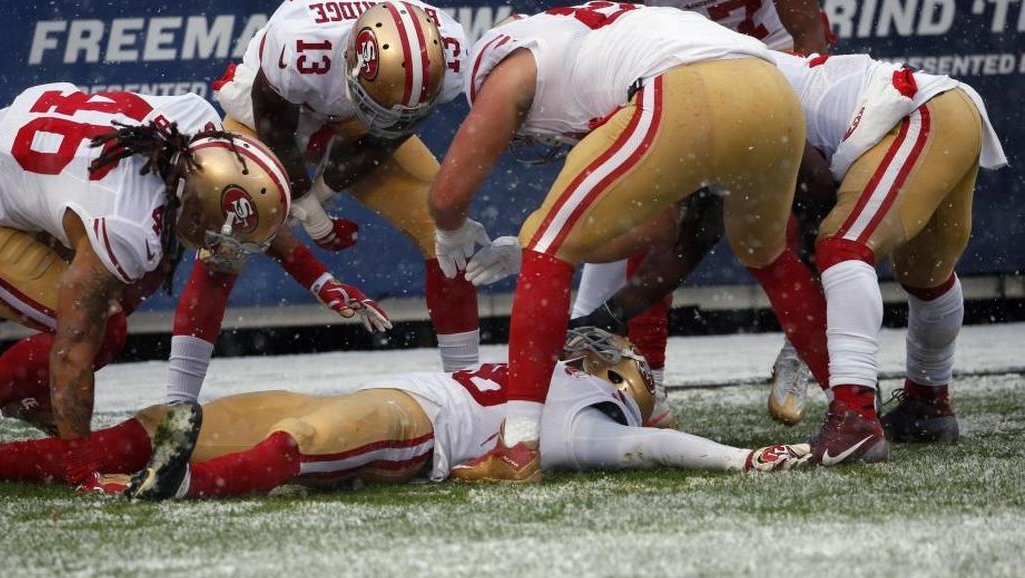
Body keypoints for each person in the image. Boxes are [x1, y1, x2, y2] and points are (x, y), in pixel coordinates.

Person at [428, 3, 831, 483]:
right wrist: (537, 239)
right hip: (772, 90)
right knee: (769, 256)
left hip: (687, 87)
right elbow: (657, 227)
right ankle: (857, 415)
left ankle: (517, 447)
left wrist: (450, 227)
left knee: (548, 250)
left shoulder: (510, 60)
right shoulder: (600, 41)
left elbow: (448, 193)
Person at [570, 51, 1008, 452]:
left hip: (913, 115)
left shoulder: (705, 97)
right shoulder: (701, 88)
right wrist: (607, 317)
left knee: (842, 246)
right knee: (924, 275)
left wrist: (816, 264)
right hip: (942, 111)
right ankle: (928, 404)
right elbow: (691, 241)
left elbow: (813, 181)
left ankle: (855, 416)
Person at [0, 82, 291, 486]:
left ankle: (29, 396)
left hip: (8, 158)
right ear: (197, 208)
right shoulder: (127, 223)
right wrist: (82, 471)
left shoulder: (196, 124)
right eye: (228, 239)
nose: (230, 252)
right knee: (98, 332)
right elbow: (73, 352)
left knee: (126, 292)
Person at [0, 328, 811, 493]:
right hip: (412, 396)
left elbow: (648, 454)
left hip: (418, 433)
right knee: (185, 416)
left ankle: (174, 492)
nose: (614, 353)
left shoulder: (595, 422)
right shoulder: (549, 371)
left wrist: (738, 460)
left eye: (631, 362)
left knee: (325, 431)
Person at [167, 0, 479, 408]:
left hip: (360, 114)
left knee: (443, 229)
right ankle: (177, 405)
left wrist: (322, 194)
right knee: (224, 244)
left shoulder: (444, 50)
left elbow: (392, 130)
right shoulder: (301, 44)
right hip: (271, 114)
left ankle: (469, 392)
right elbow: (274, 124)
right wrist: (305, 204)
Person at [570, 0, 834, 428]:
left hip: (773, 67)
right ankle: (648, 377)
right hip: (683, 71)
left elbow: (809, 40)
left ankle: (835, 372)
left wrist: (764, 98)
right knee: (658, 211)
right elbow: (618, 48)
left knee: (803, 222)